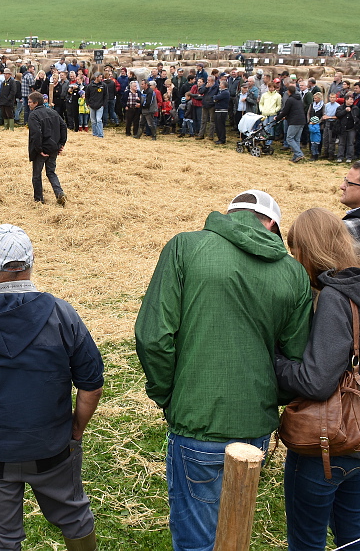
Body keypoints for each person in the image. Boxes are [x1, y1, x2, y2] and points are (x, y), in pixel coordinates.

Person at [135, 190, 312, 551]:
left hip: (195, 417)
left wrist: (167, 394)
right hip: (255, 423)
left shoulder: (185, 247)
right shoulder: (293, 273)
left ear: (232, 214)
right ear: (273, 225)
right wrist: (267, 397)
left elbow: (153, 336)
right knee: (234, 529)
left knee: (197, 536)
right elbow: (294, 358)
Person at [0, 224, 103, 551]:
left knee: (2, 539)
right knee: (76, 517)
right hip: (53, 449)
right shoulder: (63, 315)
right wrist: (75, 433)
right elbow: (91, 387)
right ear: (31, 262)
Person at [275, 207, 360, 551]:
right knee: (352, 527)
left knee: (307, 540)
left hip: (329, 440)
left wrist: (275, 361)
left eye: (296, 253)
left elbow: (315, 381)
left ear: (309, 250)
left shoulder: (336, 297)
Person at [27, 91, 67, 206]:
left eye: (30, 102)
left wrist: (39, 150)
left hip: (42, 150)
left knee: (36, 175)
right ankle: (59, 193)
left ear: (35, 103)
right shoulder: (52, 112)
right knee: (51, 172)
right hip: (53, 148)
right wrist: (61, 144)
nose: (28, 104)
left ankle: (39, 200)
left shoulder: (33, 115)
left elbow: (36, 134)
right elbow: (63, 126)